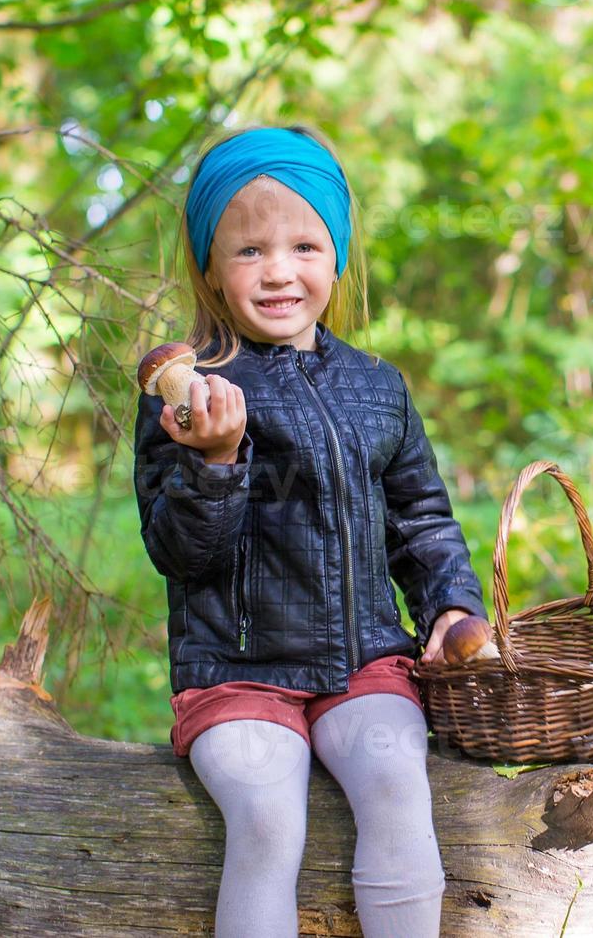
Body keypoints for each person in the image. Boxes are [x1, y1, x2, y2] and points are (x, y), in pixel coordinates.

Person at [132, 123, 486, 938]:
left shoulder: (377, 387)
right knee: (263, 809)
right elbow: (178, 553)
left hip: (363, 661)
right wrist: (215, 462)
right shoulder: (190, 396)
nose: (280, 271)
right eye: (249, 251)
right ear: (212, 271)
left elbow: (421, 518)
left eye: (305, 246)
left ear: (337, 256)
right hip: (237, 671)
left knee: (397, 778)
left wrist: (447, 608)